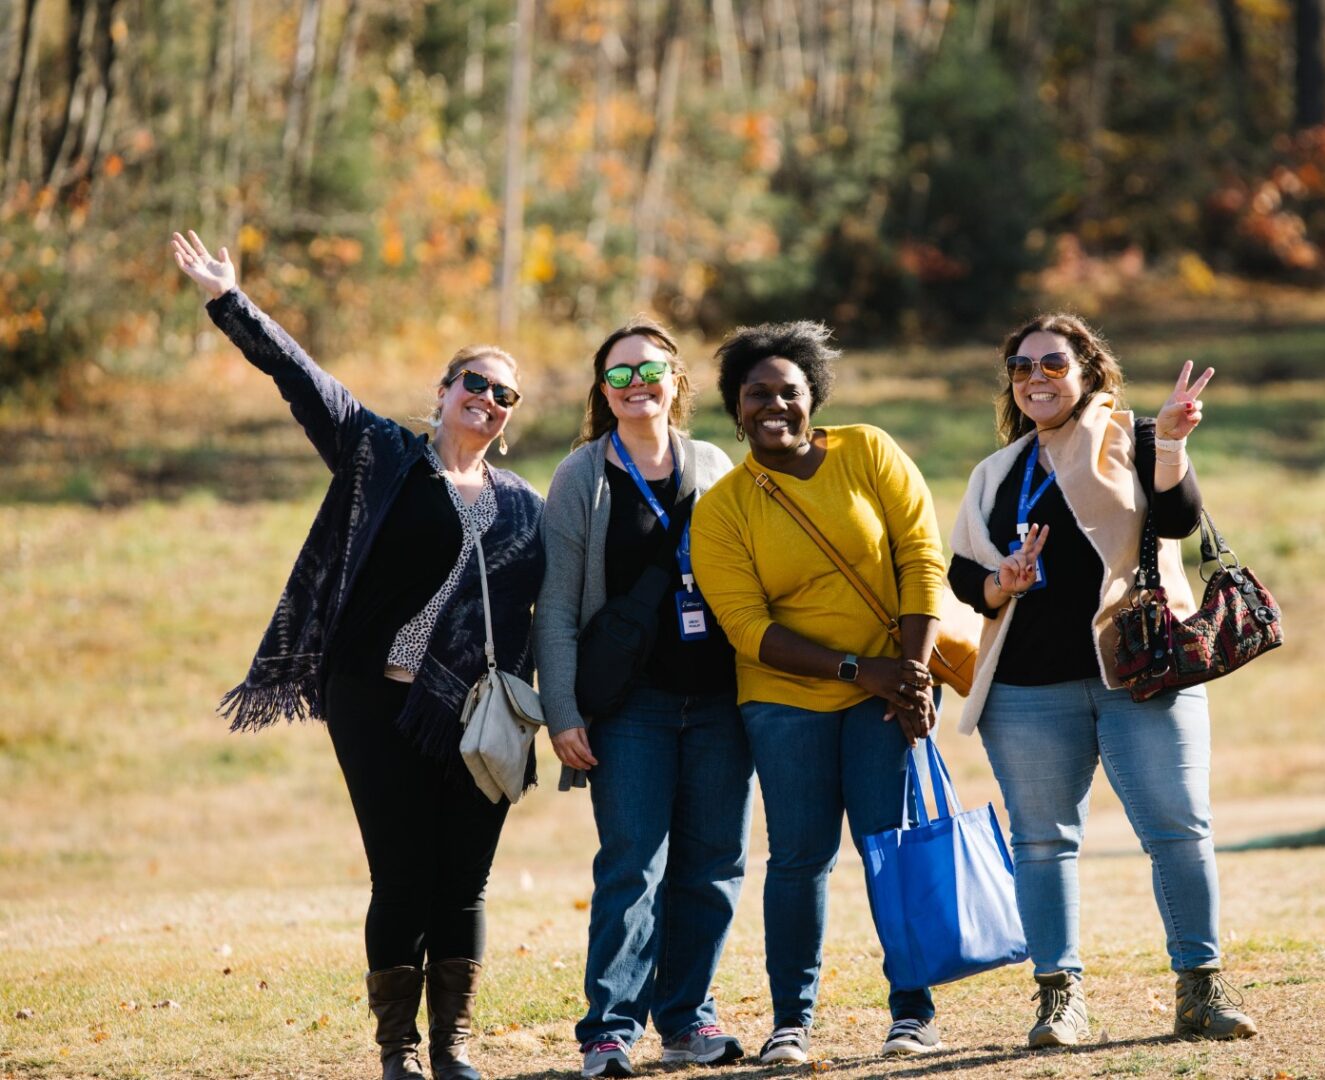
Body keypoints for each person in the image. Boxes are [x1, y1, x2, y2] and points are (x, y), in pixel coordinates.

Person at [171, 230, 545, 1080]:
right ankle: (397, 1051)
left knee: (464, 882)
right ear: (443, 391)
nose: (488, 399)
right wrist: (232, 301)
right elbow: (306, 383)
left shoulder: (527, 506)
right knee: (403, 874)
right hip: (376, 704)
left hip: (474, 714)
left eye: (505, 395)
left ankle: (452, 1047)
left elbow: (548, 609)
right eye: (475, 384)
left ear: (511, 418)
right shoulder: (383, 455)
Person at [946, 313, 1257, 1048]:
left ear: (1087, 368)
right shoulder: (999, 473)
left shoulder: (1136, 437)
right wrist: (1002, 581)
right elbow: (963, 575)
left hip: (1143, 673)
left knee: (1180, 830)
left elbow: (1180, 520)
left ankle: (1202, 992)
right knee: (1041, 843)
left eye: (1052, 364)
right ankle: (1060, 1002)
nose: (1035, 379)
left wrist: (1174, 443)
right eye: (1021, 368)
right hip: (1024, 690)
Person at [688, 321, 946, 1065]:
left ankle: (913, 1013)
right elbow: (745, 625)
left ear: (814, 397)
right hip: (783, 701)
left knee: (888, 851)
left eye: (789, 391)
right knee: (800, 858)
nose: (774, 405)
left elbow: (920, 560)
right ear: (736, 411)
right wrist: (856, 670)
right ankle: (791, 1023)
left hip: (888, 689)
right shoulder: (725, 506)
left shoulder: (867, 450)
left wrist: (910, 674)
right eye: (756, 394)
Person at [533, 319, 754, 1080]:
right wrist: (561, 711)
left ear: (677, 381)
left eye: (650, 371)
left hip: (720, 705)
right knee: (633, 867)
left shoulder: (718, 465)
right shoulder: (581, 477)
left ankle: (689, 1020)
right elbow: (557, 609)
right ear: (603, 391)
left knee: (716, 864)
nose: (637, 386)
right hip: (631, 710)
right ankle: (609, 1031)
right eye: (620, 375)